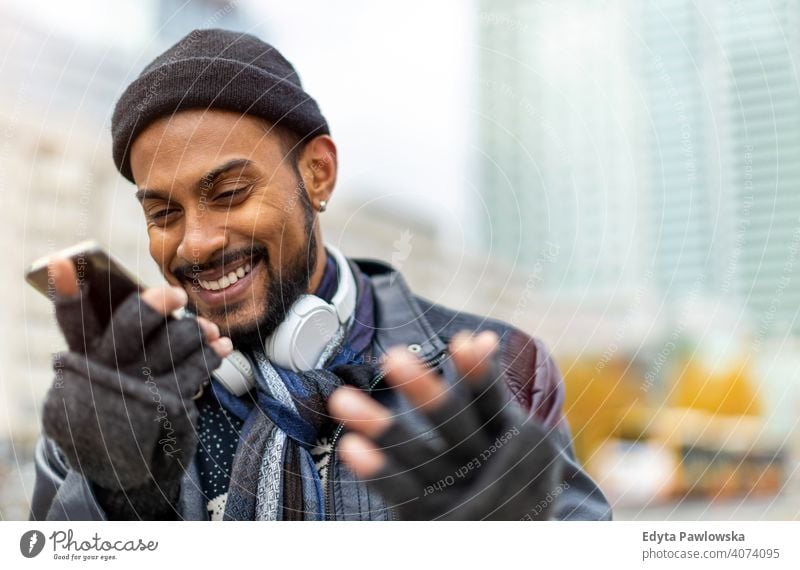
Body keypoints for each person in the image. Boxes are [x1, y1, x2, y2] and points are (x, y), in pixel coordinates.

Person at [29, 28, 612, 521]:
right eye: (162, 214)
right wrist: (114, 497)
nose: (196, 243)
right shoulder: (108, 404)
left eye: (230, 193)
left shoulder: (501, 371)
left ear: (318, 174)